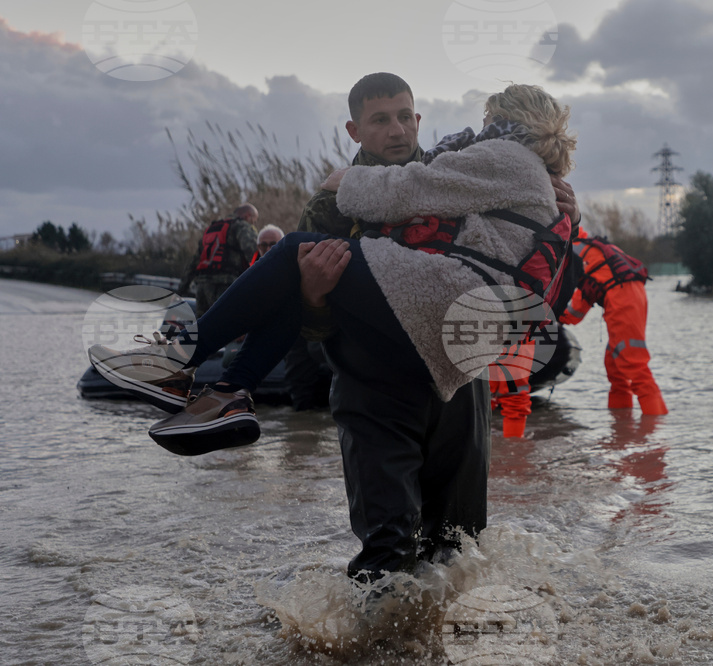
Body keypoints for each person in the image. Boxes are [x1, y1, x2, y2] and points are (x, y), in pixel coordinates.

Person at [89, 78, 579, 584]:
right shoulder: (334, 206)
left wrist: (567, 220)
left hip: (455, 377)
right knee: (388, 546)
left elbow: (531, 275)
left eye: (405, 116)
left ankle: (211, 380)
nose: (396, 128)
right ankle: (369, 643)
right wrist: (314, 296)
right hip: (376, 380)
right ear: (354, 130)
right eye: (380, 119)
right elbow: (298, 313)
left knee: (458, 544)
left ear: (419, 119)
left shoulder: (456, 168)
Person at [559, 229, 669, 416]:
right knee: (615, 365)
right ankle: (621, 427)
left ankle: (655, 432)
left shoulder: (572, 253)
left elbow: (575, 313)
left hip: (621, 298)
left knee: (634, 365)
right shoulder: (590, 247)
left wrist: (552, 315)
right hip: (633, 294)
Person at [178, 204, 259, 316]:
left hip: (203, 288)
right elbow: (252, 250)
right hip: (225, 286)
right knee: (227, 326)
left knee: (202, 328)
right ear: (248, 216)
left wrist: (182, 289)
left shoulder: (211, 229)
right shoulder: (241, 226)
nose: (254, 224)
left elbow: (194, 262)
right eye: (254, 220)